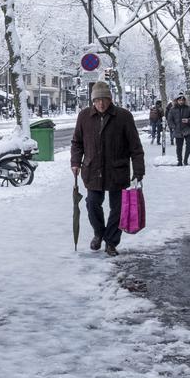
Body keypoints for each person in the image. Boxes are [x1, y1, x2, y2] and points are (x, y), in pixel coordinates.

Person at [71, 82, 146, 257]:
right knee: (92, 204)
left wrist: (138, 171)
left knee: (118, 208)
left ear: (110, 99)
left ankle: (111, 242)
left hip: (117, 170)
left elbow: (135, 147)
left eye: (104, 99)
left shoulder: (123, 116)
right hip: (93, 169)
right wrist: (75, 162)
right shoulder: (84, 116)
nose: (101, 103)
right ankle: (99, 233)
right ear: (93, 101)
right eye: (97, 100)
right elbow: (77, 143)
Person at [166, 93, 190, 166]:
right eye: (179, 100)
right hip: (178, 130)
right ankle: (179, 161)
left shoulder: (189, 108)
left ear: (184, 101)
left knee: (189, 145)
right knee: (179, 147)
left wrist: (188, 120)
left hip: (188, 129)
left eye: (182, 100)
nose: (181, 101)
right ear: (177, 101)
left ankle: (185, 160)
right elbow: (169, 120)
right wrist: (173, 126)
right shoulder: (172, 109)